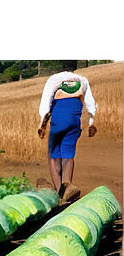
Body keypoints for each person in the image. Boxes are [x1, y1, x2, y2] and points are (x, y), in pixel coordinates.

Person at [37, 69, 97, 203]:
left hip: (59, 121)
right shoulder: (82, 80)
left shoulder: (54, 79)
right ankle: (68, 185)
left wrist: (42, 123)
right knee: (68, 154)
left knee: (52, 153)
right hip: (75, 123)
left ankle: (60, 193)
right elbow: (90, 103)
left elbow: (46, 102)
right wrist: (91, 121)